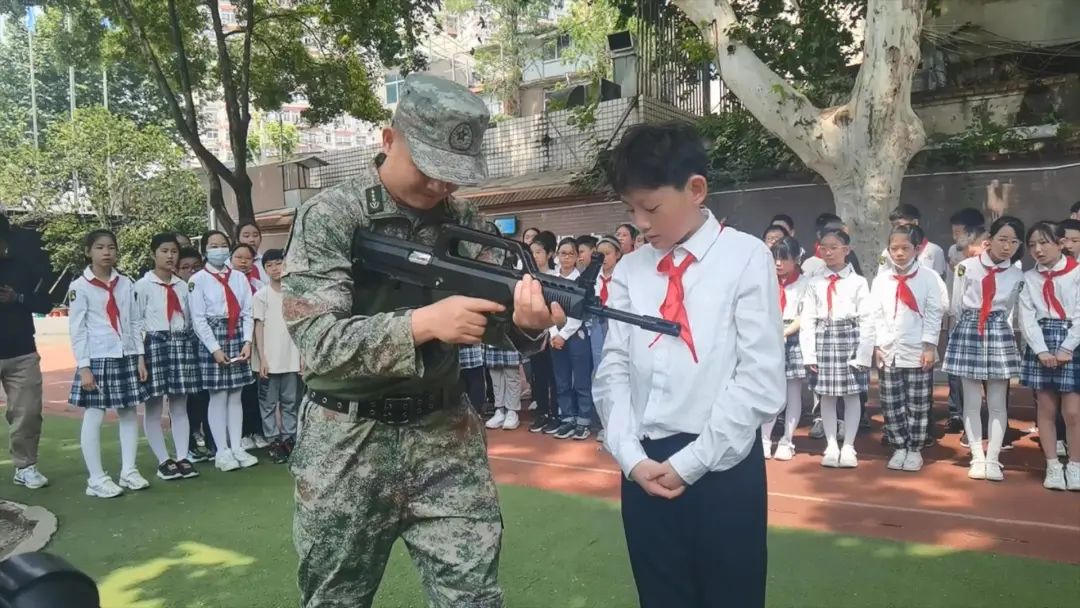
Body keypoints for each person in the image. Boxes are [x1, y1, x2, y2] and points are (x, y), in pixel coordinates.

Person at [281, 73, 561, 608]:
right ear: (389, 140)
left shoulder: (466, 222)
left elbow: (500, 322)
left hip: (445, 432)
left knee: (473, 599)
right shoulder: (333, 215)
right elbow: (318, 340)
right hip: (346, 440)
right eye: (429, 167)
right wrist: (423, 324)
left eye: (453, 173)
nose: (440, 186)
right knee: (335, 599)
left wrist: (527, 322)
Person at [594, 123, 784, 608]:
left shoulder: (745, 257)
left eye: (651, 207)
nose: (640, 222)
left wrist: (690, 463)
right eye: (630, 210)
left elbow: (759, 380)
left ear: (696, 189)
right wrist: (630, 456)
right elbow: (613, 369)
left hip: (721, 465)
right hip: (643, 466)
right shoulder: (631, 270)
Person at [943, 216, 1025, 482]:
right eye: (1003, 239)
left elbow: (1011, 308)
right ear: (990, 239)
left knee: (998, 402)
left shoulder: (1017, 274)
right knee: (971, 400)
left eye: (1014, 242)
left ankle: (993, 459)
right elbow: (956, 305)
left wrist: (999, 326)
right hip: (970, 328)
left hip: (999, 330)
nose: (1007, 246)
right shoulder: (966, 267)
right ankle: (977, 456)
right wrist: (965, 327)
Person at [68, 230, 149, 498]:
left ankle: (129, 470)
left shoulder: (125, 283)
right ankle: (96, 478)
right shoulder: (80, 287)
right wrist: (84, 367)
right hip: (97, 356)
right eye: (100, 247)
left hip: (125, 354)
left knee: (129, 412)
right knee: (94, 413)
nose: (106, 252)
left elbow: (134, 321)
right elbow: (78, 329)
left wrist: (139, 355)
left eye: (111, 247)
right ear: (88, 252)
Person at [869, 225, 947, 473]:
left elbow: (934, 313)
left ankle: (914, 448)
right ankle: (898, 446)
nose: (900, 253)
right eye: (894, 248)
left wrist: (929, 346)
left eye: (905, 248)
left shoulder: (929, 278)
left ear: (917, 249)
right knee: (891, 402)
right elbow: (876, 314)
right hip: (889, 349)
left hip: (917, 348)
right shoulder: (881, 280)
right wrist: (877, 344)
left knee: (918, 402)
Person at [800, 228, 873, 468]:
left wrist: (864, 353)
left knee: (852, 394)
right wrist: (809, 353)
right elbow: (808, 318)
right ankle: (831, 445)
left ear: (846, 250)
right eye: (824, 248)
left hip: (850, 337)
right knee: (827, 394)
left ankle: (849, 445)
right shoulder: (814, 282)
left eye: (834, 248)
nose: (828, 252)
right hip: (823, 337)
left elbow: (867, 318)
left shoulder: (858, 282)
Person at [1017, 221, 1080, 490]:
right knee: (1046, 408)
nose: (1038, 250)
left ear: (1061, 243)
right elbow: (1026, 317)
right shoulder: (1029, 278)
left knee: (1073, 412)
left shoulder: (1077, 273)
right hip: (1041, 340)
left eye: (1044, 243)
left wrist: (1067, 347)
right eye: (1032, 245)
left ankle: (1075, 466)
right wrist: (1040, 350)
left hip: (1072, 340)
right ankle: (1053, 465)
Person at [133, 233, 201, 481]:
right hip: (154, 344)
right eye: (164, 251)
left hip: (180, 343)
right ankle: (163, 460)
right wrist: (140, 356)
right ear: (153, 254)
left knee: (179, 405)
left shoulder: (182, 286)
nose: (170, 256)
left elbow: (189, 319)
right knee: (153, 406)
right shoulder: (142, 286)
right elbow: (135, 323)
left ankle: (182, 457)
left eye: (174, 251)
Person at [189, 230, 258, 472]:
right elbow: (198, 319)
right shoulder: (198, 280)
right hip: (213, 337)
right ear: (205, 250)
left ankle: (237, 447)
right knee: (218, 396)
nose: (219, 249)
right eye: (213, 245)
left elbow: (248, 312)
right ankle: (222, 450)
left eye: (223, 245)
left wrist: (247, 342)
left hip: (237, 334)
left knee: (236, 394)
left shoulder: (238, 278)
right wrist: (214, 349)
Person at [0, 215, 51, 489]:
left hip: (21, 352)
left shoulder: (22, 267)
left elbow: (45, 303)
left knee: (28, 412)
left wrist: (17, 298)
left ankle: (25, 467)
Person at [252, 248, 301, 464]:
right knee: (268, 403)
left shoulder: (294, 294)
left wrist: (302, 356)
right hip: (269, 359)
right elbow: (259, 327)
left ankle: (289, 438)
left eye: (278, 263)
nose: (275, 268)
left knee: (290, 402)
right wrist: (262, 357)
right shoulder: (260, 296)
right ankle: (273, 440)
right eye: (269, 265)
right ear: (264, 269)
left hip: (291, 357)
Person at [764, 235, 807, 461]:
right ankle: (764, 439)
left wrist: (785, 332)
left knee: (792, 392)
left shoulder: (805, 283)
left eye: (784, 258)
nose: (778, 263)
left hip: (793, 336)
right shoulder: (766, 280)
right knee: (769, 390)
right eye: (775, 258)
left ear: (796, 259)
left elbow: (804, 315)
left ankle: (787, 440)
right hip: (770, 335)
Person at [550, 236, 594, 440]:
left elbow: (578, 313)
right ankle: (567, 417)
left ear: (577, 257)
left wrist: (563, 334)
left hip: (576, 335)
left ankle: (583, 420)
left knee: (581, 380)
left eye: (571, 254)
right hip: (555, 335)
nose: (566, 257)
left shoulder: (582, 280)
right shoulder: (551, 278)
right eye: (563, 253)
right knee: (562, 379)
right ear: (557, 255)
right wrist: (554, 333)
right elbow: (547, 309)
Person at [177, 247, 213, 462]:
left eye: (196, 267)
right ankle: (189, 444)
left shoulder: (206, 286)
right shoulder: (178, 290)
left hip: (206, 348)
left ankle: (211, 442)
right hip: (184, 349)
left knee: (206, 397)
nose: (191, 271)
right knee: (187, 400)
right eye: (186, 267)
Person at [231, 243, 268, 449]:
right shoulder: (227, 283)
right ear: (231, 259)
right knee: (241, 390)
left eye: (248, 258)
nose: (243, 262)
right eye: (239, 257)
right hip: (237, 340)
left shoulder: (259, 285)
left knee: (257, 388)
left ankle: (258, 430)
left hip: (257, 340)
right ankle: (243, 433)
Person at [527, 231, 561, 434]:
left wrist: (553, 332)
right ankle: (542, 412)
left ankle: (556, 413)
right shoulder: (528, 278)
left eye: (538, 252)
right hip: (535, 334)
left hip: (553, 334)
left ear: (549, 254)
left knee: (555, 376)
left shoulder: (556, 277)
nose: (535, 256)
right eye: (532, 252)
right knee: (538, 375)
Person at [879, 204, 948, 278]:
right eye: (893, 226)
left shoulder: (935, 251)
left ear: (915, 223)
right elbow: (881, 277)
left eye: (899, 224)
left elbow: (939, 279)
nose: (896, 229)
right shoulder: (886, 252)